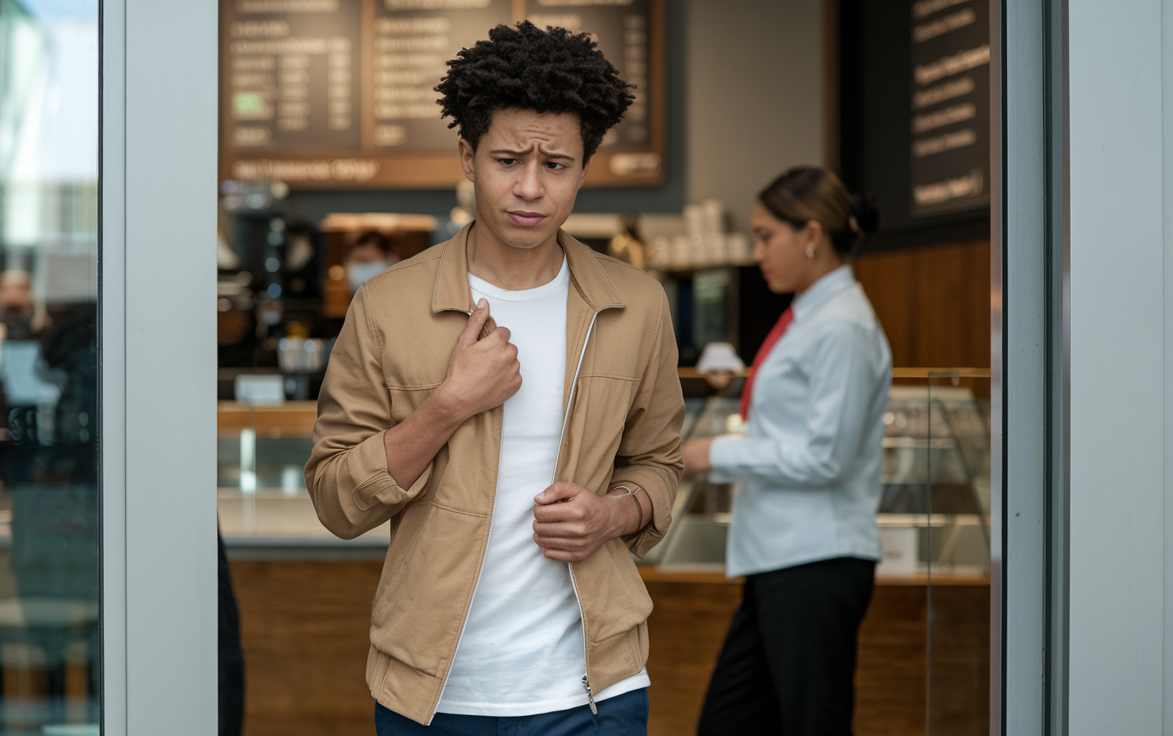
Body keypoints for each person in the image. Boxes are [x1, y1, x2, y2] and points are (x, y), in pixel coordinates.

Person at [305, 21, 685, 735]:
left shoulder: (636, 304)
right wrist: (448, 405)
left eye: (559, 166)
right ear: (467, 155)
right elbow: (336, 500)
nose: (532, 188)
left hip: (594, 692)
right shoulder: (387, 305)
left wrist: (612, 513)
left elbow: (658, 463)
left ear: (584, 168)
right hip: (435, 695)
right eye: (508, 159)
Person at [682, 166, 891, 736]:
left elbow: (827, 457)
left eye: (765, 235)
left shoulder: (842, 326)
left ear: (812, 235)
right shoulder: (812, 316)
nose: (757, 252)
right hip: (782, 562)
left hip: (815, 563)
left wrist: (714, 454)